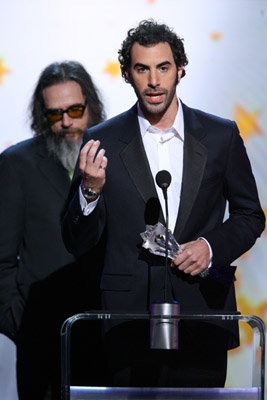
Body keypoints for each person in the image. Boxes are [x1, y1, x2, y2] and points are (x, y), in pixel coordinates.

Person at [62, 20, 265, 388]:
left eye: (163, 67)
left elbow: (251, 215)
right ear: (128, 74)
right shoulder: (101, 140)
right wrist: (90, 192)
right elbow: (76, 240)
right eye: (142, 69)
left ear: (180, 69)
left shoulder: (221, 136)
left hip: (202, 313)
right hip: (127, 322)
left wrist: (210, 246)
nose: (154, 80)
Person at [0, 61, 106, 399]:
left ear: (91, 105)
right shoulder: (17, 164)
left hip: (107, 334)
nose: (66, 122)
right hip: (40, 340)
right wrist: (18, 321)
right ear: (42, 115)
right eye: (55, 113)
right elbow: (1, 257)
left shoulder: (118, 156)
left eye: (75, 109)